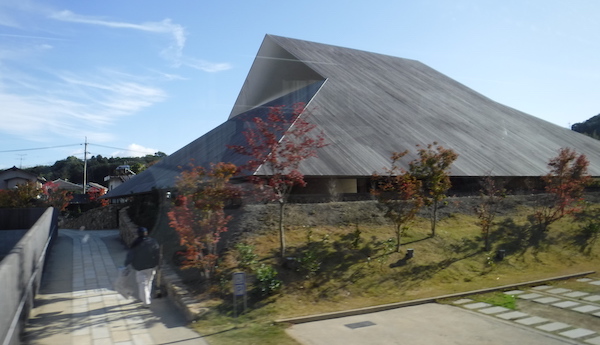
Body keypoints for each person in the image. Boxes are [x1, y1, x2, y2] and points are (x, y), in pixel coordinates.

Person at [125, 227, 160, 307]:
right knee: (149, 282)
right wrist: (157, 264)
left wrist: (127, 263)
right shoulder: (153, 242)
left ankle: (146, 301)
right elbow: (157, 253)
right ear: (146, 233)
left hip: (140, 267)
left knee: (142, 284)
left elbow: (131, 254)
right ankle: (145, 298)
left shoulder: (136, 242)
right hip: (151, 266)